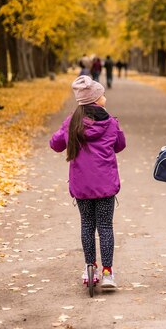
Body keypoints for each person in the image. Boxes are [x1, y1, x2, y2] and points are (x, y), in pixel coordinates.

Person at [49, 75, 126, 289]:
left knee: (87, 225)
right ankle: (108, 273)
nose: (105, 98)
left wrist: (65, 134)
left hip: (81, 186)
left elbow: (55, 145)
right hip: (105, 186)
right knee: (105, 226)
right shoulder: (110, 123)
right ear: (95, 99)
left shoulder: (72, 122)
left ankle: (90, 267)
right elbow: (120, 145)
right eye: (102, 95)